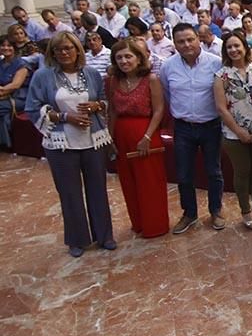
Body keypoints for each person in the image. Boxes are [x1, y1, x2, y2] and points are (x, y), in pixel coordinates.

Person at [25, 32, 114, 257]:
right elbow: (33, 108)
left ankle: (104, 235)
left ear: (77, 49)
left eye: (68, 48)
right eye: (58, 49)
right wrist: (65, 117)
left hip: (93, 140)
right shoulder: (42, 76)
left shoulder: (92, 73)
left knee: (98, 190)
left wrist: (96, 105)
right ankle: (77, 239)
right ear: (52, 53)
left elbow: (105, 101)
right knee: (69, 192)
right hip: (61, 143)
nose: (64, 53)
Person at [160, 23, 225, 234]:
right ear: (175, 44)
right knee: (184, 173)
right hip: (183, 127)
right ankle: (189, 213)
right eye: (181, 41)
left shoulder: (216, 63)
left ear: (199, 38)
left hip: (211, 125)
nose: (186, 44)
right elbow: (168, 95)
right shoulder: (167, 67)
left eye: (190, 39)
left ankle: (216, 210)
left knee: (214, 171)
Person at [106, 38, 168, 237]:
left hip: (145, 132)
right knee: (128, 181)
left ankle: (155, 225)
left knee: (149, 182)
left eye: (128, 56)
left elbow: (158, 110)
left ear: (139, 58)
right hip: (122, 133)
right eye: (119, 58)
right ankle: (138, 222)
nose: (124, 61)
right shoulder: (113, 81)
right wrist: (110, 136)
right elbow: (113, 111)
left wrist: (147, 136)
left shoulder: (151, 79)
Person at [214, 32, 252, 230]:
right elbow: (221, 108)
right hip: (233, 134)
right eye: (229, 47)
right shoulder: (221, 76)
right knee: (242, 171)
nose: (234, 50)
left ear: (245, 47)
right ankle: (245, 209)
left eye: (237, 46)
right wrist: (239, 131)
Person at [0, 37, 31, 149]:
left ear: (14, 48)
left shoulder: (22, 65)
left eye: (9, 46)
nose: (5, 48)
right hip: (3, 96)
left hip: (18, 98)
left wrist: (2, 92)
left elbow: (15, 85)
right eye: (3, 45)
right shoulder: (0, 63)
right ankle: (5, 142)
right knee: (3, 115)